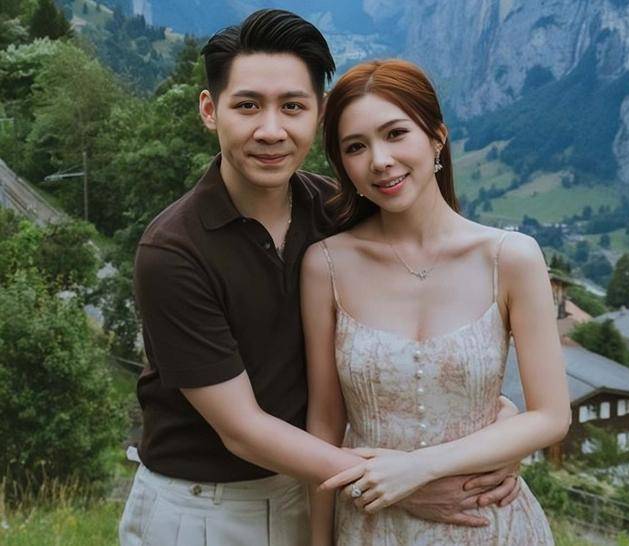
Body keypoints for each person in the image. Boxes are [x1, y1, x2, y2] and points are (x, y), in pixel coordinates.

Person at [119, 10, 522, 546]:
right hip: (208, 508)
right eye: (247, 105)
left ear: (320, 111)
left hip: (322, 489)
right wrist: (407, 485)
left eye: (292, 106)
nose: (271, 130)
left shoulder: (336, 211)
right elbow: (242, 430)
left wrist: (493, 426)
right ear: (210, 110)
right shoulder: (173, 252)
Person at [302, 59, 571, 545]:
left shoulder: (510, 257)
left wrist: (420, 468)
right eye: (356, 147)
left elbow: (551, 415)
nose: (380, 160)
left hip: (490, 525)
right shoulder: (326, 265)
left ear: (437, 137)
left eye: (396, 133)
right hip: (372, 528)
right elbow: (325, 423)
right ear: (343, 165)